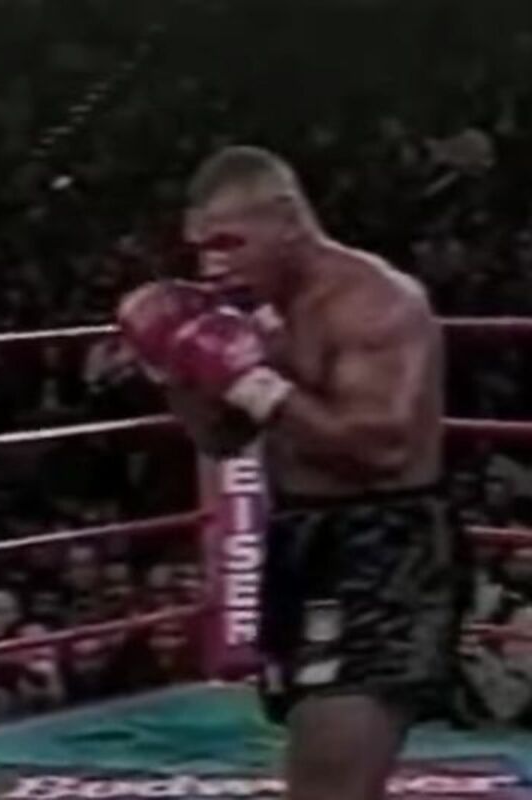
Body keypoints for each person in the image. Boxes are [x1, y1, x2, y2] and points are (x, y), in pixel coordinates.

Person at [117, 146, 462, 800]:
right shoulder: (249, 307)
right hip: (298, 540)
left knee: (331, 782)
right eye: (201, 248)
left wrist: (250, 379)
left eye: (228, 242)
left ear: (285, 219)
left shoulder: (374, 301)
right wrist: (173, 366)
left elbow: (381, 450)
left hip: (382, 550)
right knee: (320, 771)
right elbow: (221, 438)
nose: (211, 264)